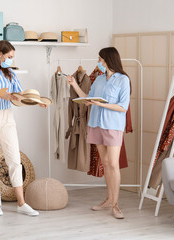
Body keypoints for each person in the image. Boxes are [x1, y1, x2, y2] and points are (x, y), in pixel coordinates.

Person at [0, 40, 44, 217]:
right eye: (9, 57)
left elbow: (19, 96)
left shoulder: (10, 73)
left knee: (14, 159)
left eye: (12, 57)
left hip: (7, 116)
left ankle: (21, 203)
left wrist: (36, 101)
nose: (11, 60)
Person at [67, 47, 131, 219]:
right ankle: (109, 199)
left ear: (108, 60)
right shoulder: (100, 79)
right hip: (95, 124)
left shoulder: (123, 80)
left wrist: (101, 104)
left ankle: (116, 204)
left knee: (113, 164)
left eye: (101, 59)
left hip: (113, 126)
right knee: (105, 163)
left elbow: (123, 107)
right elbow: (88, 99)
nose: (99, 62)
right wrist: (74, 85)